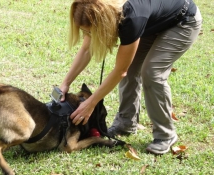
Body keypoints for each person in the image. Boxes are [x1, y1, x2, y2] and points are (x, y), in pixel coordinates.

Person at [59, 0, 202, 154]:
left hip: (182, 21)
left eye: (91, 32)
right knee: (132, 67)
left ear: (104, 22)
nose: (89, 36)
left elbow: (120, 70)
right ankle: (125, 123)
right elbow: (87, 49)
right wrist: (65, 83)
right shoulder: (100, 10)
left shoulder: (132, 19)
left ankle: (165, 135)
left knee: (152, 72)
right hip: (152, 23)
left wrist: (91, 104)